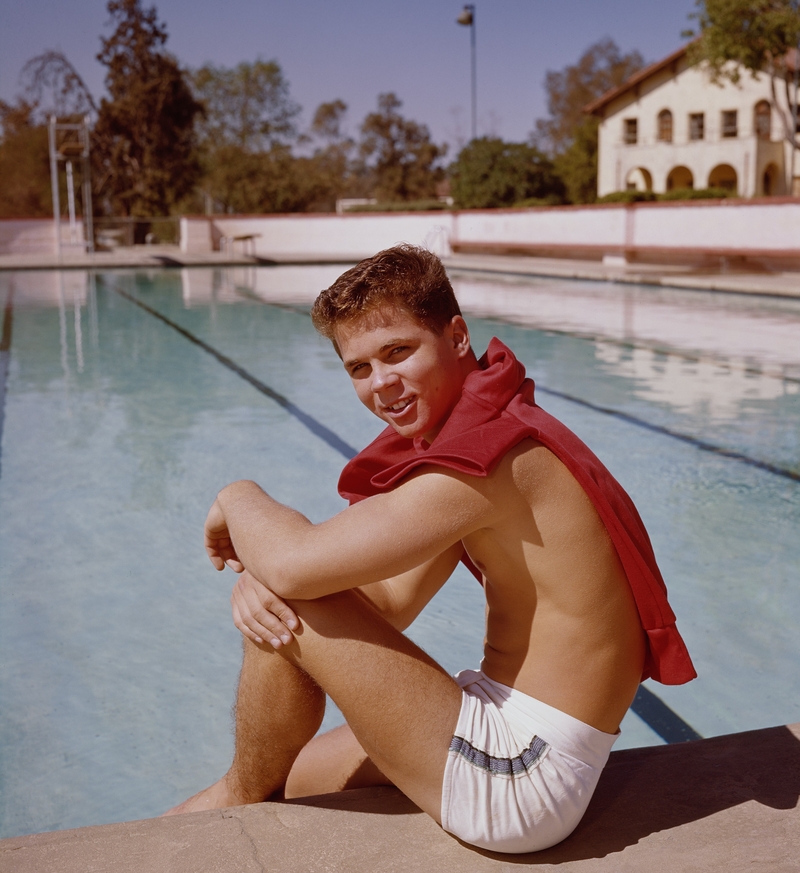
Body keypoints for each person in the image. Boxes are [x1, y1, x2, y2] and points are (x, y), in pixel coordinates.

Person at [166, 244, 695, 853]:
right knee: (291, 774)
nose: (381, 384)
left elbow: (292, 565)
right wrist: (271, 579)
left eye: (398, 352)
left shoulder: (488, 462)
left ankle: (235, 795)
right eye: (359, 368)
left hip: (524, 776)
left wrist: (237, 496)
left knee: (291, 598)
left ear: (458, 335)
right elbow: (389, 602)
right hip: (504, 726)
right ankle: (241, 791)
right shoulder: (476, 437)